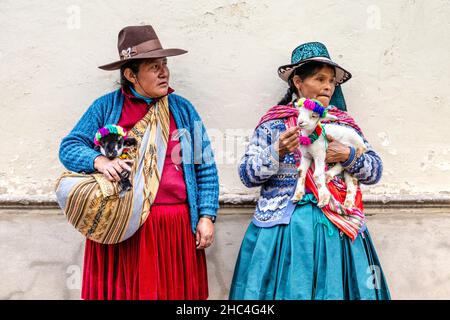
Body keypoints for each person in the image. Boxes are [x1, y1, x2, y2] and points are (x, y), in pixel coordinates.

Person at [59, 25, 219, 300]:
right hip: (122, 226)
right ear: (131, 74)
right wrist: (98, 160)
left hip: (174, 226)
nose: (164, 72)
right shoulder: (106, 107)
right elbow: (70, 147)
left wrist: (206, 215)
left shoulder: (182, 109)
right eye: (153, 66)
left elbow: (205, 167)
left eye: (165, 64)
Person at [229, 42, 390, 300]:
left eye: (332, 81)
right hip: (284, 231)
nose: (328, 86)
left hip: (337, 229)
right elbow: (247, 175)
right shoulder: (275, 123)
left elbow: (374, 171)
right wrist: (277, 150)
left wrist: (347, 156)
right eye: (320, 79)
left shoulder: (343, 125)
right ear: (297, 82)